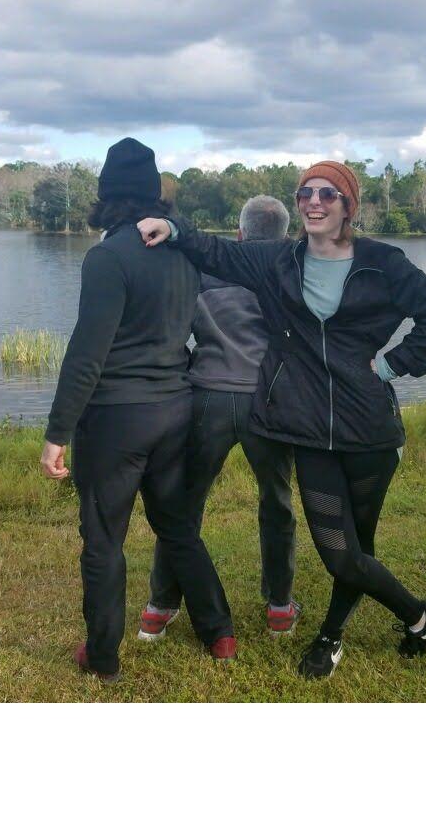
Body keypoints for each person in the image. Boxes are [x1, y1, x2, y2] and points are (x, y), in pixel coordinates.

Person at [137, 160, 426, 680]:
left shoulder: (382, 262)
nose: (314, 202)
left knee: (358, 547)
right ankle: (417, 614)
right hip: (307, 429)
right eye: (305, 193)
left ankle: (333, 634)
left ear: (348, 205)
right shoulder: (279, 260)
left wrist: (391, 365)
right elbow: (216, 251)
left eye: (327, 194)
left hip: (367, 428)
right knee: (337, 553)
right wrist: (172, 228)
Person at [41, 137, 236, 683]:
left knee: (104, 540)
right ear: (154, 195)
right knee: (177, 527)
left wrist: (57, 432)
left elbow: (87, 353)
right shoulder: (182, 251)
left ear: (107, 196)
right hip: (175, 410)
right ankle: (219, 632)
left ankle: (102, 657)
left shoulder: (108, 257)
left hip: (116, 421)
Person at [139, 195, 300, 642]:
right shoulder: (290, 272)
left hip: (208, 396)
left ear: (240, 233)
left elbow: (175, 330)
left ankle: (159, 607)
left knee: (185, 504)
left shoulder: (205, 271)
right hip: (267, 402)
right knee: (277, 501)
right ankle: (279, 607)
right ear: (285, 235)